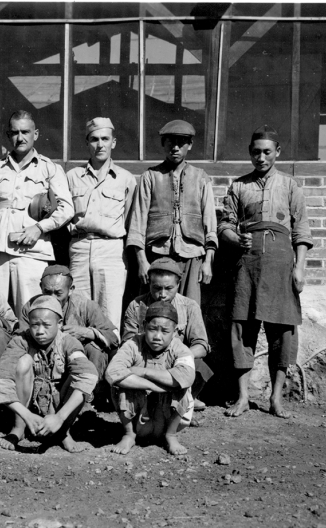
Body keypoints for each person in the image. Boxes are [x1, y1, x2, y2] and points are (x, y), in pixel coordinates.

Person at [218, 125, 313, 419]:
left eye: (267, 152)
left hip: (281, 263)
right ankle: (244, 397)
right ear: (250, 153)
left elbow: (301, 230)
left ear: (277, 152)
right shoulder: (238, 186)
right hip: (246, 264)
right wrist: (236, 238)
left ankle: (275, 398)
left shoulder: (289, 185)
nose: (261, 157)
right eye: (256, 152)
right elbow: (224, 226)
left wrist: (299, 267)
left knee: (282, 331)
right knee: (242, 328)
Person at [0, 110, 74, 316]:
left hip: (31, 251)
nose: (19, 138)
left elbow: (67, 209)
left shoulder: (50, 169)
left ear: (36, 134)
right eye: (14, 133)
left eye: (25, 132)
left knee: (32, 312)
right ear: (7, 136)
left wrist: (39, 228)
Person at [0, 296, 98, 453]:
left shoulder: (69, 342)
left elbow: (89, 375)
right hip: (28, 409)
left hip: (59, 409)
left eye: (46, 325)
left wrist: (59, 418)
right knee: (24, 361)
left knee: (80, 375)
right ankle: (19, 428)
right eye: (34, 325)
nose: (39, 331)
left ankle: (63, 432)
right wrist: (26, 415)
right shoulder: (20, 341)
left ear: (59, 324)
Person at [126, 120, 217, 304]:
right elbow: (137, 224)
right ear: (163, 144)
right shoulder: (150, 177)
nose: (175, 147)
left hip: (191, 257)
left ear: (189, 145)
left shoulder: (200, 177)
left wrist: (208, 261)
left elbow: (210, 224)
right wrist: (142, 261)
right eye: (170, 142)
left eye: (181, 142)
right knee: (155, 309)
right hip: (158, 256)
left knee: (189, 309)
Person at [65, 117, 137, 328]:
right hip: (79, 247)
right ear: (87, 142)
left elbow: (130, 219)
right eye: (94, 139)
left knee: (109, 314)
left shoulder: (125, 178)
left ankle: (109, 359)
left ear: (113, 142)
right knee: (78, 312)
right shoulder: (72, 176)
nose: (100, 144)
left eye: (105, 139)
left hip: (111, 249)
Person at [122, 258, 213, 416]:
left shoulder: (189, 306)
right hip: (145, 361)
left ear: (178, 284)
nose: (162, 294)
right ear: (149, 283)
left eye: (168, 288)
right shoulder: (136, 305)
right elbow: (128, 342)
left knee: (199, 366)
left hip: (175, 362)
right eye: (156, 288)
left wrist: (180, 357)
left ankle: (184, 400)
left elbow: (201, 344)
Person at [106, 301, 196, 456]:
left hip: (166, 417)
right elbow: (112, 373)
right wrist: (154, 386)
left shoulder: (180, 348)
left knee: (182, 386)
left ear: (174, 332)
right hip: (138, 416)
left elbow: (186, 376)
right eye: (152, 329)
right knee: (119, 385)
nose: (157, 337)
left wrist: (143, 372)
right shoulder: (133, 344)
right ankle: (129, 434)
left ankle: (171, 435)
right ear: (144, 326)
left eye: (165, 331)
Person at [19, 265, 119, 387]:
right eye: (47, 292)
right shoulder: (31, 307)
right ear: (41, 287)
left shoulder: (86, 306)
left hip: (77, 361)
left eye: (58, 293)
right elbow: (20, 340)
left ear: (71, 289)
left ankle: (91, 394)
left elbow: (114, 336)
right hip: (42, 359)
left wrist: (85, 332)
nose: (52, 298)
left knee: (95, 349)